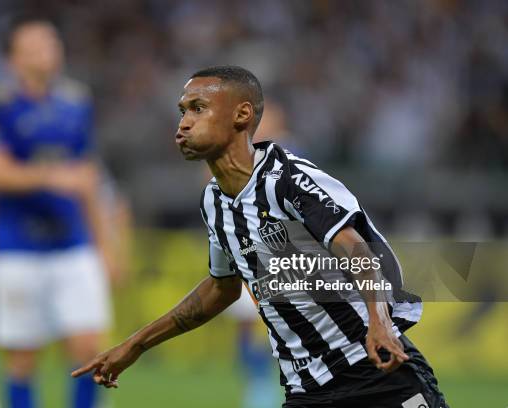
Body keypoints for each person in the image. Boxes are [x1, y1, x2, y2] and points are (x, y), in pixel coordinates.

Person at [72, 66, 450, 408]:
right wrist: (136, 345)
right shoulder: (214, 202)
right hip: (307, 391)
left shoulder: (287, 179)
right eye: (183, 110)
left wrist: (379, 319)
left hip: (375, 373)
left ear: (242, 115)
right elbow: (221, 288)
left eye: (198, 108)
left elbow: (355, 249)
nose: (184, 123)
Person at [0, 18, 115, 408]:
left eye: (51, 41)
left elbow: (88, 180)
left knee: (91, 348)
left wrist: (106, 245)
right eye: (34, 44)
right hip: (17, 244)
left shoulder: (76, 103)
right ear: (13, 58)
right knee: (22, 357)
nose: (46, 50)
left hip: (73, 241)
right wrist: (55, 176)